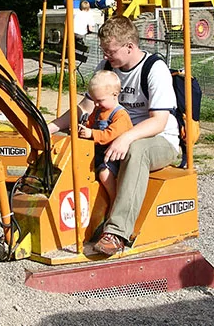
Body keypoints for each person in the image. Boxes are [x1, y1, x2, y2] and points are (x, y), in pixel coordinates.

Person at [48, 16, 180, 256]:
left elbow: (159, 122)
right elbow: (85, 107)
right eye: (104, 52)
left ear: (130, 46)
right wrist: (53, 127)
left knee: (136, 150)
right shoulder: (107, 69)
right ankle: (73, 220)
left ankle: (117, 232)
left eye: (110, 52)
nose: (106, 57)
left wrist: (126, 138)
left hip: (158, 140)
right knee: (74, 143)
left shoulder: (154, 69)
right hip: (116, 136)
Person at [77, 70, 134, 206]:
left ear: (115, 95)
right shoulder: (98, 111)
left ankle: (115, 201)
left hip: (114, 157)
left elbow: (109, 135)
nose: (96, 104)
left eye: (100, 100)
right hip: (98, 152)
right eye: (94, 100)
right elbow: (90, 123)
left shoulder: (120, 115)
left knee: (104, 173)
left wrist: (91, 134)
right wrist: (82, 128)